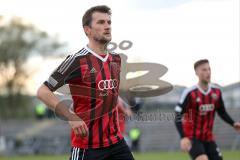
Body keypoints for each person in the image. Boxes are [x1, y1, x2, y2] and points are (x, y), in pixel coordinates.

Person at [37, 5, 134, 160]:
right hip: (87, 148)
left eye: (109, 22)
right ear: (87, 30)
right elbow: (43, 91)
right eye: (101, 22)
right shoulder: (77, 61)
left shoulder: (116, 59)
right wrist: (71, 117)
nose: (107, 26)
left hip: (117, 144)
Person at [175, 59, 240, 160]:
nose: (208, 72)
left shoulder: (216, 91)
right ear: (196, 72)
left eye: (209, 69)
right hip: (193, 137)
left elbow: (222, 112)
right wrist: (183, 137)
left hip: (208, 138)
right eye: (204, 70)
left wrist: (233, 123)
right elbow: (178, 115)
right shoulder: (190, 93)